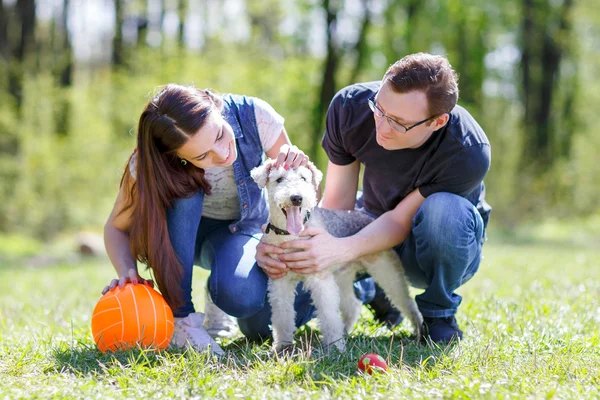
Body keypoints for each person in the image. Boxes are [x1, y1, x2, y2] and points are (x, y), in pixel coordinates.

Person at [255, 53, 491, 344]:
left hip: (436, 245)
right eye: (379, 109)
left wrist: (341, 250)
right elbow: (338, 207)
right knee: (255, 318)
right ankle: (370, 288)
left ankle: (438, 313)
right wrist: (298, 248)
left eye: (399, 123)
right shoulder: (350, 107)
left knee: (443, 211)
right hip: (367, 224)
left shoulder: (467, 150)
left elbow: (399, 221)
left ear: (437, 121)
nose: (381, 125)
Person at [102, 84, 315, 354]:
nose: (222, 154)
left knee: (250, 311)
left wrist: (297, 168)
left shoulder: (257, 116)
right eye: (202, 156)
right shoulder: (149, 165)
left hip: (241, 230)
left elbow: (296, 194)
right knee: (184, 190)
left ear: (215, 106)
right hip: (183, 239)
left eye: (219, 134)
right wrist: (127, 273)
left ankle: (361, 286)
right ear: (175, 154)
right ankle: (183, 321)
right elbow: (116, 228)